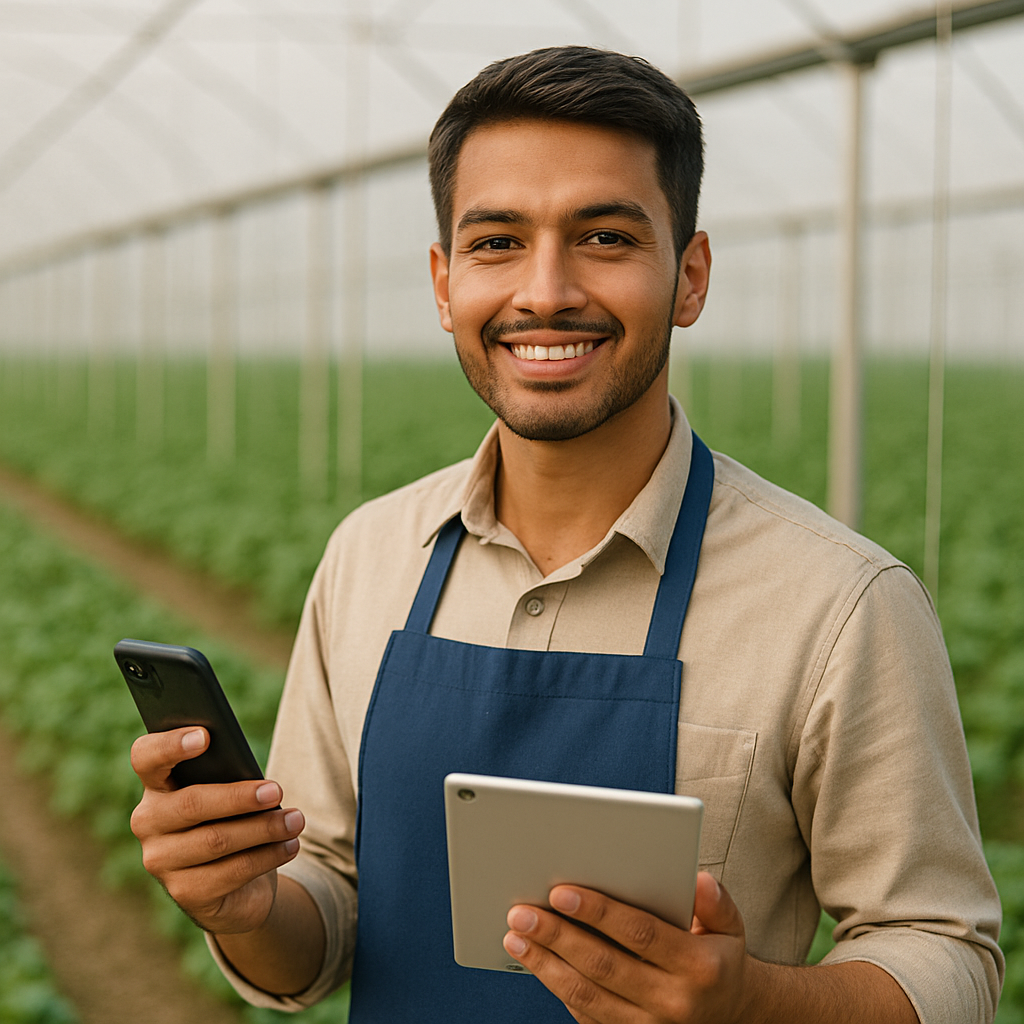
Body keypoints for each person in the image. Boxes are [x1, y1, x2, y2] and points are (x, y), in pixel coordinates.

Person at [129, 46, 1003, 1023]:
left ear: (690, 277)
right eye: (497, 242)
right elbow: (323, 914)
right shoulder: (369, 557)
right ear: (443, 280)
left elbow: (945, 954)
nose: (544, 291)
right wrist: (246, 907)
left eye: (604, 237)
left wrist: (752, 1003)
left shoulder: (838, 603)